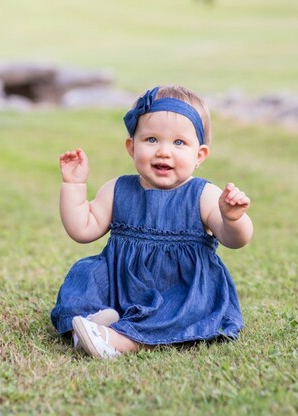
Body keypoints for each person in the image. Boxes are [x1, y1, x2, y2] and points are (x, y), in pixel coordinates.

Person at [51, 85, 253, 359]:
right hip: (122, 286)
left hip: (179, 289)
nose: (163, 152)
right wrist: (74, 186)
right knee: (85, 275)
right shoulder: (117, 189)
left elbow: (235, 239)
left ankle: (120, 340)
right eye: (152, 139)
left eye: (179, 143)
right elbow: (82, 229)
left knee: (179, 309)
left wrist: (232, 219)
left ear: (199, 155)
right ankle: (95, 320)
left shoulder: (204, 195)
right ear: (132, 147)